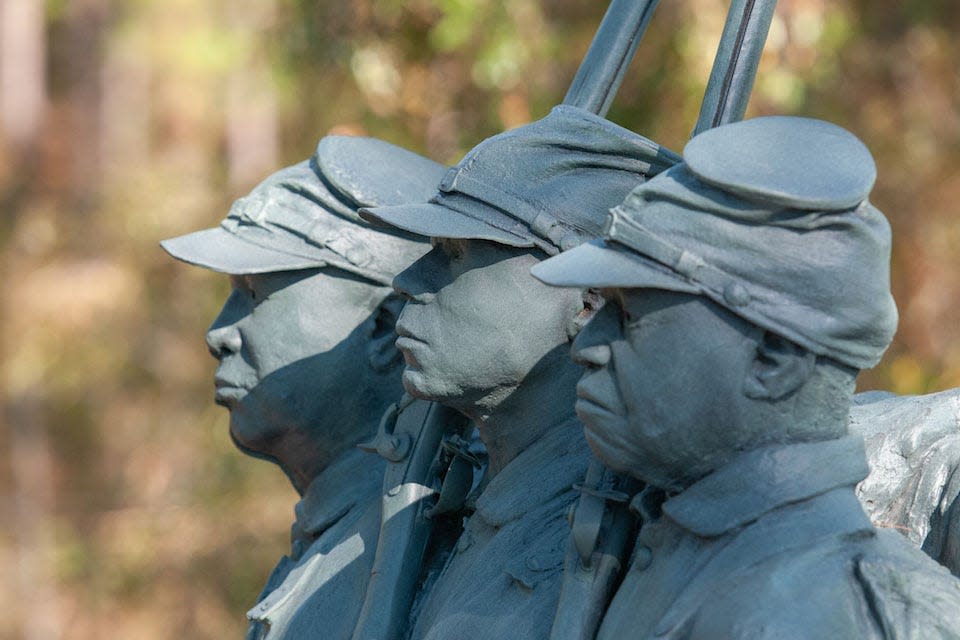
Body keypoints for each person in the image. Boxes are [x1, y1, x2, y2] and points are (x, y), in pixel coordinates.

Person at [532, 115, 960, 638]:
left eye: (629, 316)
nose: (586, 345)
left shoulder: (835, 613)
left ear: (774, 358)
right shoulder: (671, 543)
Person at [357, 104, 679, 639]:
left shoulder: (631, 536)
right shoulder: (476, 502)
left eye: (455, 253)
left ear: (588, 302)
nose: (408, 280)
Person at [160, 135, 445, 639]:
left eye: (253, 293)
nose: (218, 334)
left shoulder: (428, 545)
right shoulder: (344, 539)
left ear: (383, 324)